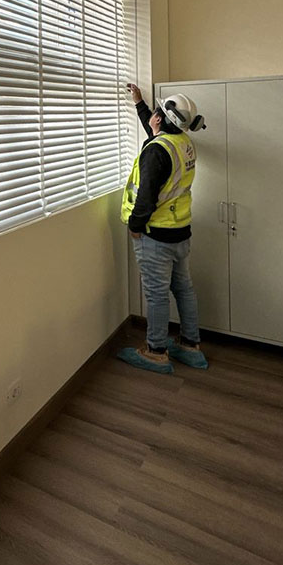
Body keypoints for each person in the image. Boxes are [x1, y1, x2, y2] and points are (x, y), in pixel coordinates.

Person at [117, 84, 209, 374]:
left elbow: (146, 195)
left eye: (155, 113)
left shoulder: (157, 151)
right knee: (183, 289)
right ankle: (190, 346)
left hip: (155, 234)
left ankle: (156, 351)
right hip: (180, 230)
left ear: (161, 119)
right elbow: (155, 133)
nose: (152, 117)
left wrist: (135, 226)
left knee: (156, 294)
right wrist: (139, 103)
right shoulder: (182, 142)